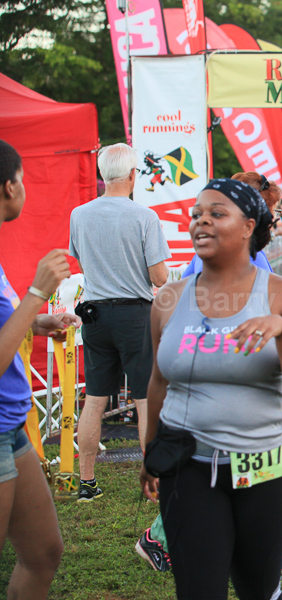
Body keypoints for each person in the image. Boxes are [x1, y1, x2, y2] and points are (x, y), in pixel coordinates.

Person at [139, 178, 282, 599]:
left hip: (264, 468)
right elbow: (158, 382)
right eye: (196, 214)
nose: (201, 221)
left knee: (257, 588)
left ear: (248, 226)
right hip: (187, 465)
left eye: (216, 213)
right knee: (198, 590)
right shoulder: (168, 299)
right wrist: (152, 454)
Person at [69, 143, 171, 502]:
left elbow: (80, 260)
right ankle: (153, 482)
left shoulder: (79, 214)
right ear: (132, 175)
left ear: (102, 174)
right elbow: (159, 277)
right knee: (144, 400)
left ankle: (86, 482)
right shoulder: (144, 216)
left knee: (94, 400)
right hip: (134, 315)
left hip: (94, 314)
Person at [0, 139, 78, 598]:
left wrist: (36, 320)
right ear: (9, 187)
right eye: (23, 179)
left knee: (44, 553)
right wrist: (36, 293)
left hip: (11, 428)